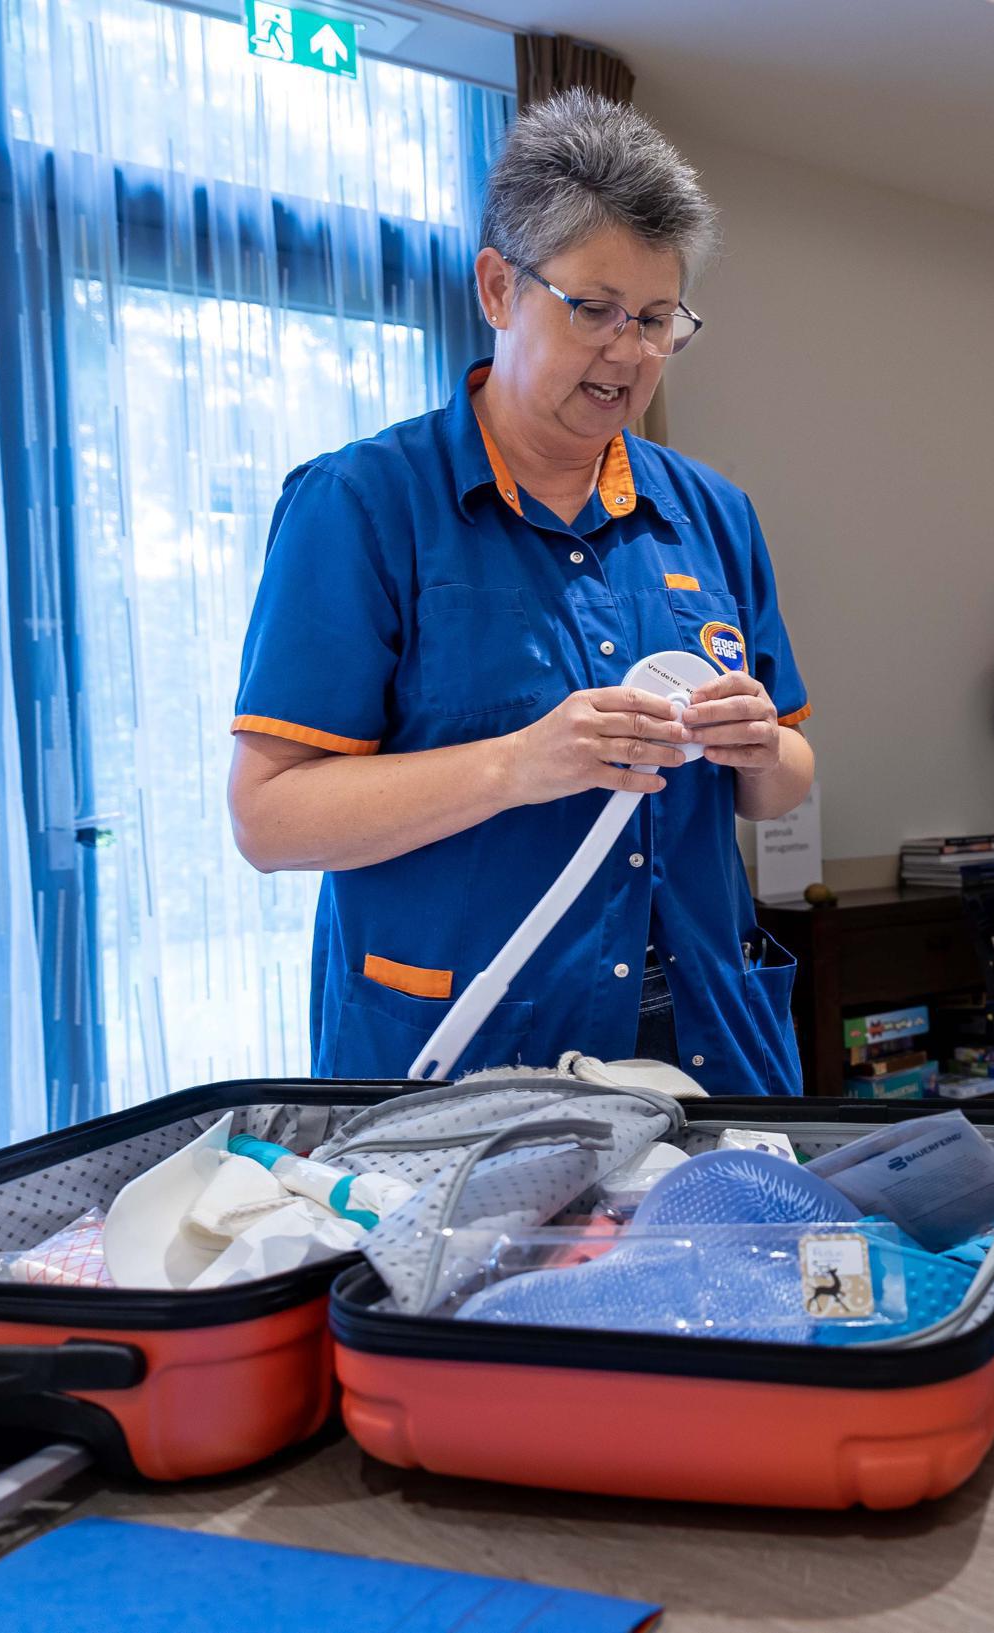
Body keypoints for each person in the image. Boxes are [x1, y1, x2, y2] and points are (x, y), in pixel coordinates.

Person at [227, 90, 813, 1092]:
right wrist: (516, 764)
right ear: (498, 288)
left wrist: (760, 748)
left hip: (704, 1036)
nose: (628, 352)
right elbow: (268, 819)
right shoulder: (364, 506)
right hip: (469, 1050)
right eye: (594, 310)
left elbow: (785, 777)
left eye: (657, 320)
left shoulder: (713, 512)